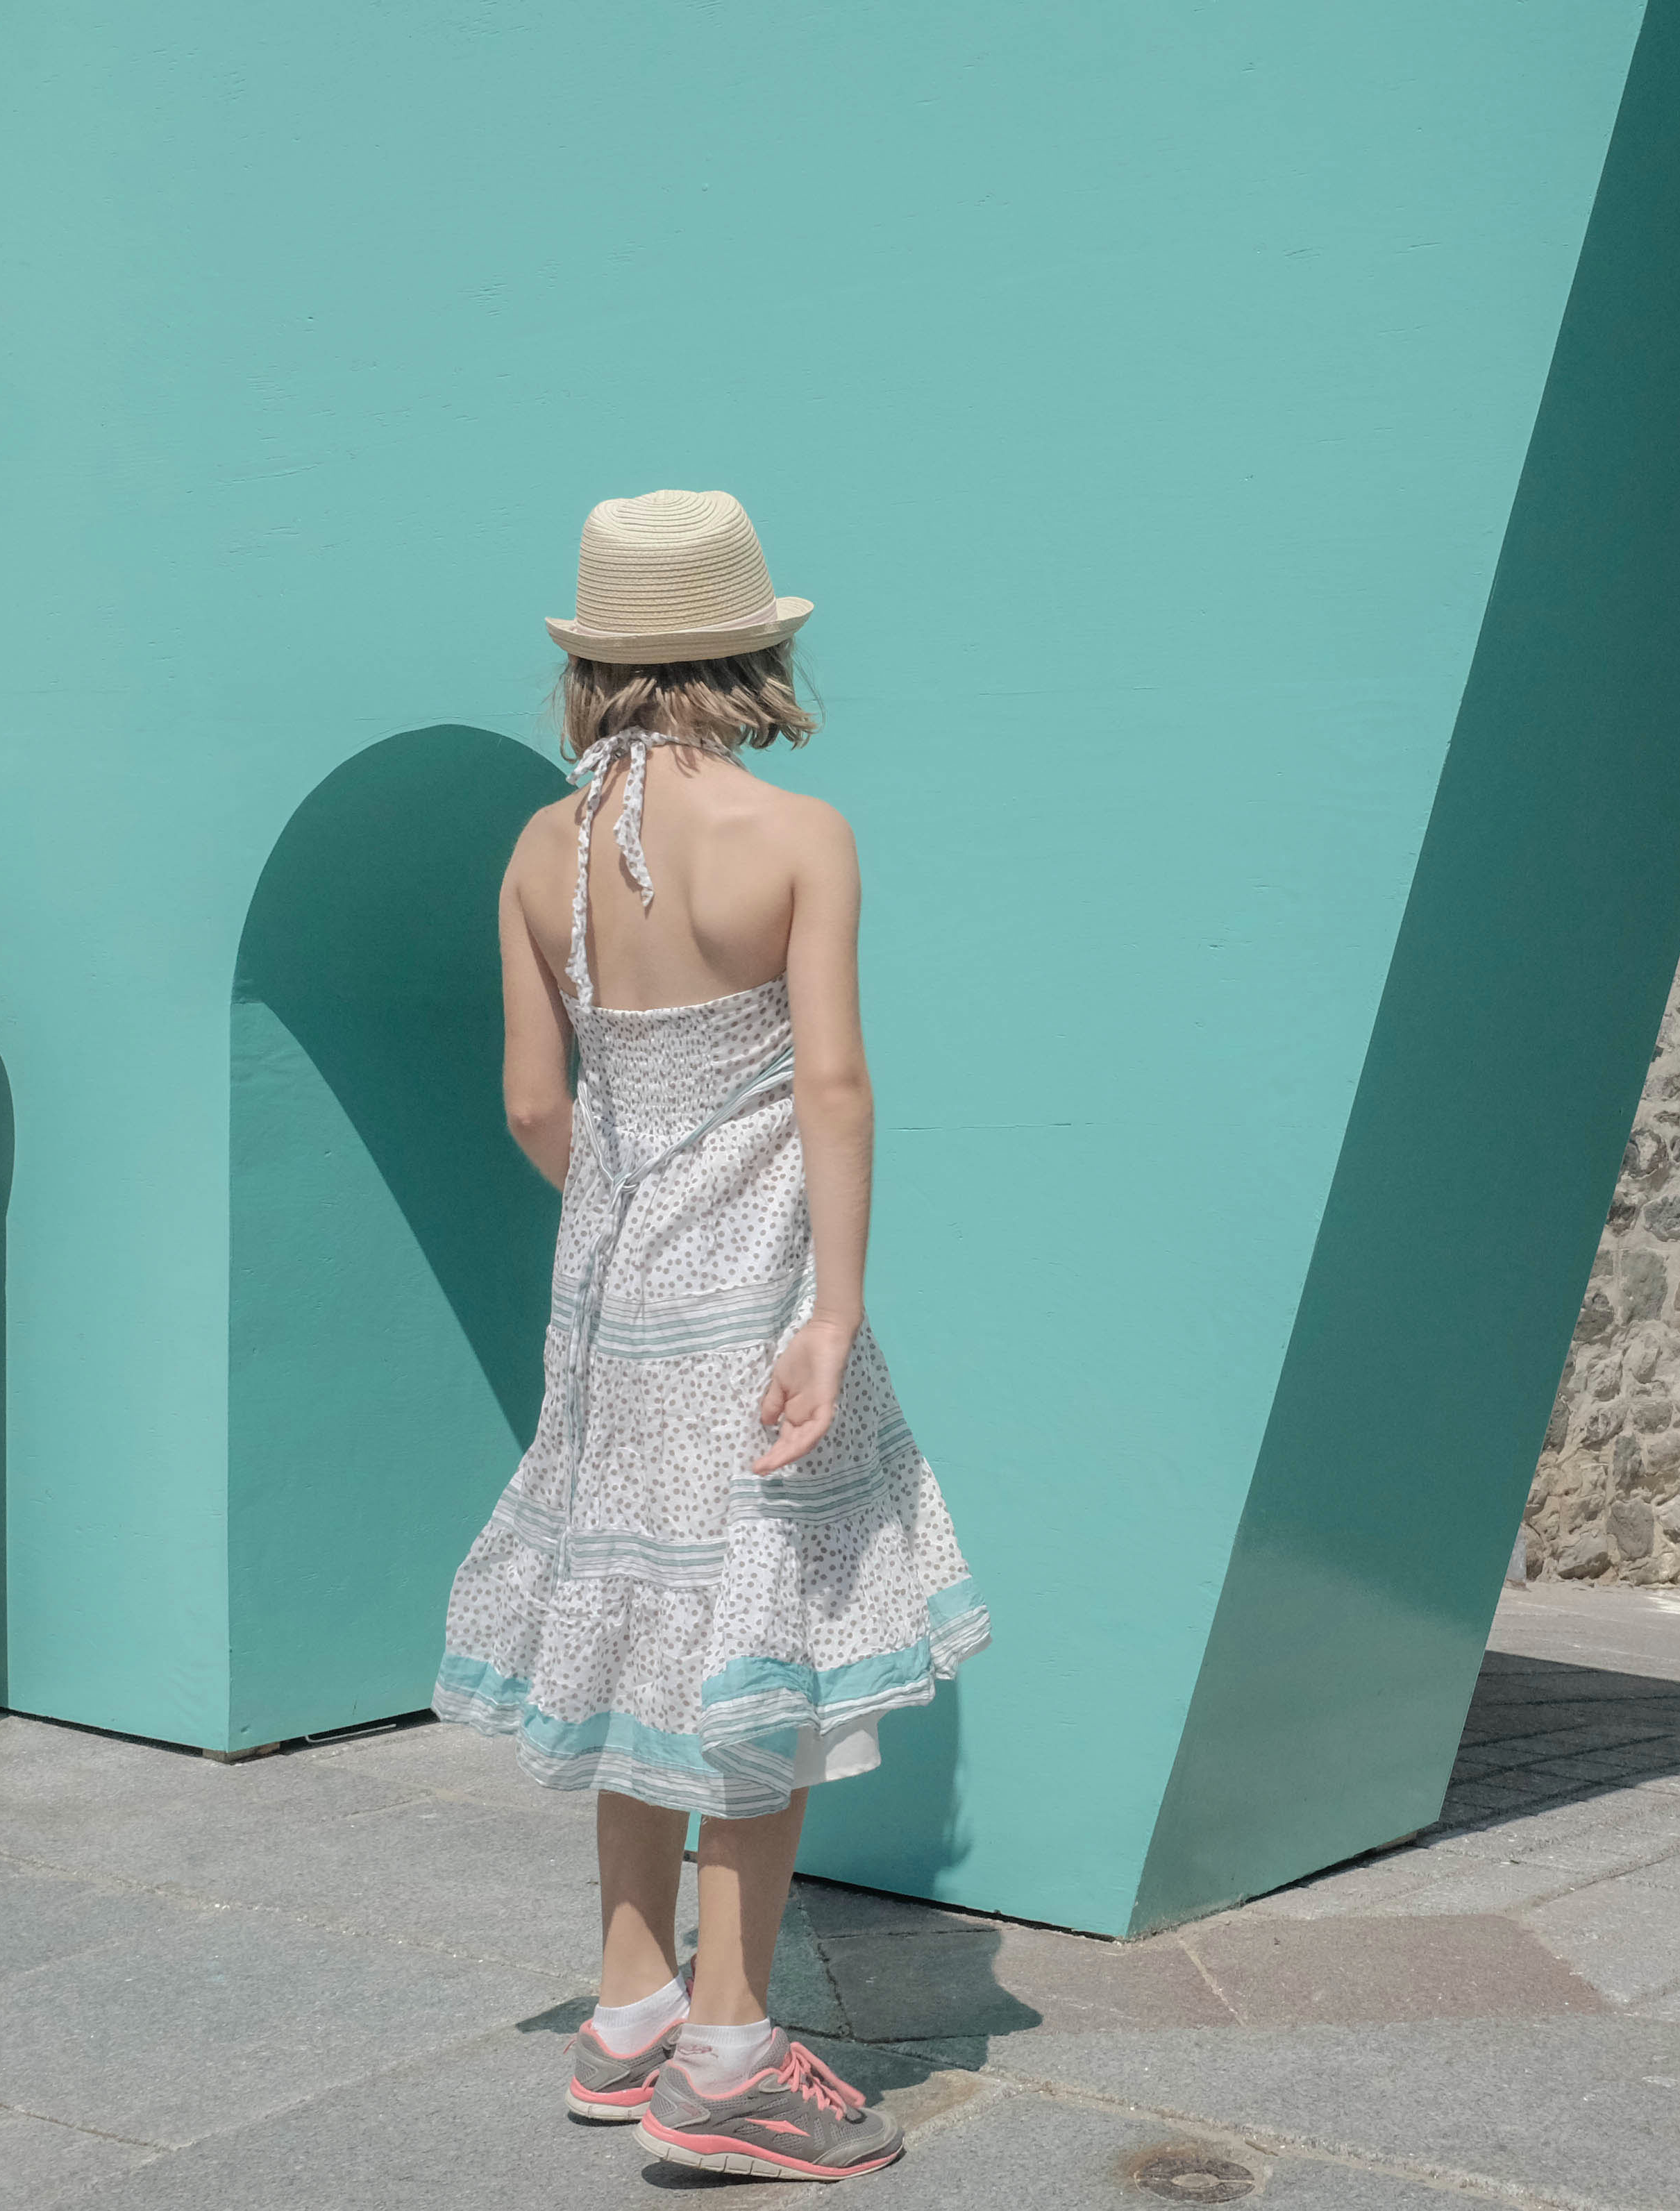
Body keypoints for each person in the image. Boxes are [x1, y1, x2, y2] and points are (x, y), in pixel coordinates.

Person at [434, 489, 988, 2181]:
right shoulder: (798, 835)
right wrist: (830, 1309)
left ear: (595, 664)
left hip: (609, 1310)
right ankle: (730, 2053)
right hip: (755, 1302)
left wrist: (626, 1218)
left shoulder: (537, 854)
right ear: (758, 651)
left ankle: (624, 2017)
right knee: (763, 1661)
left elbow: (539, 1103)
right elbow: (833, 1083)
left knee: (633, 1641)